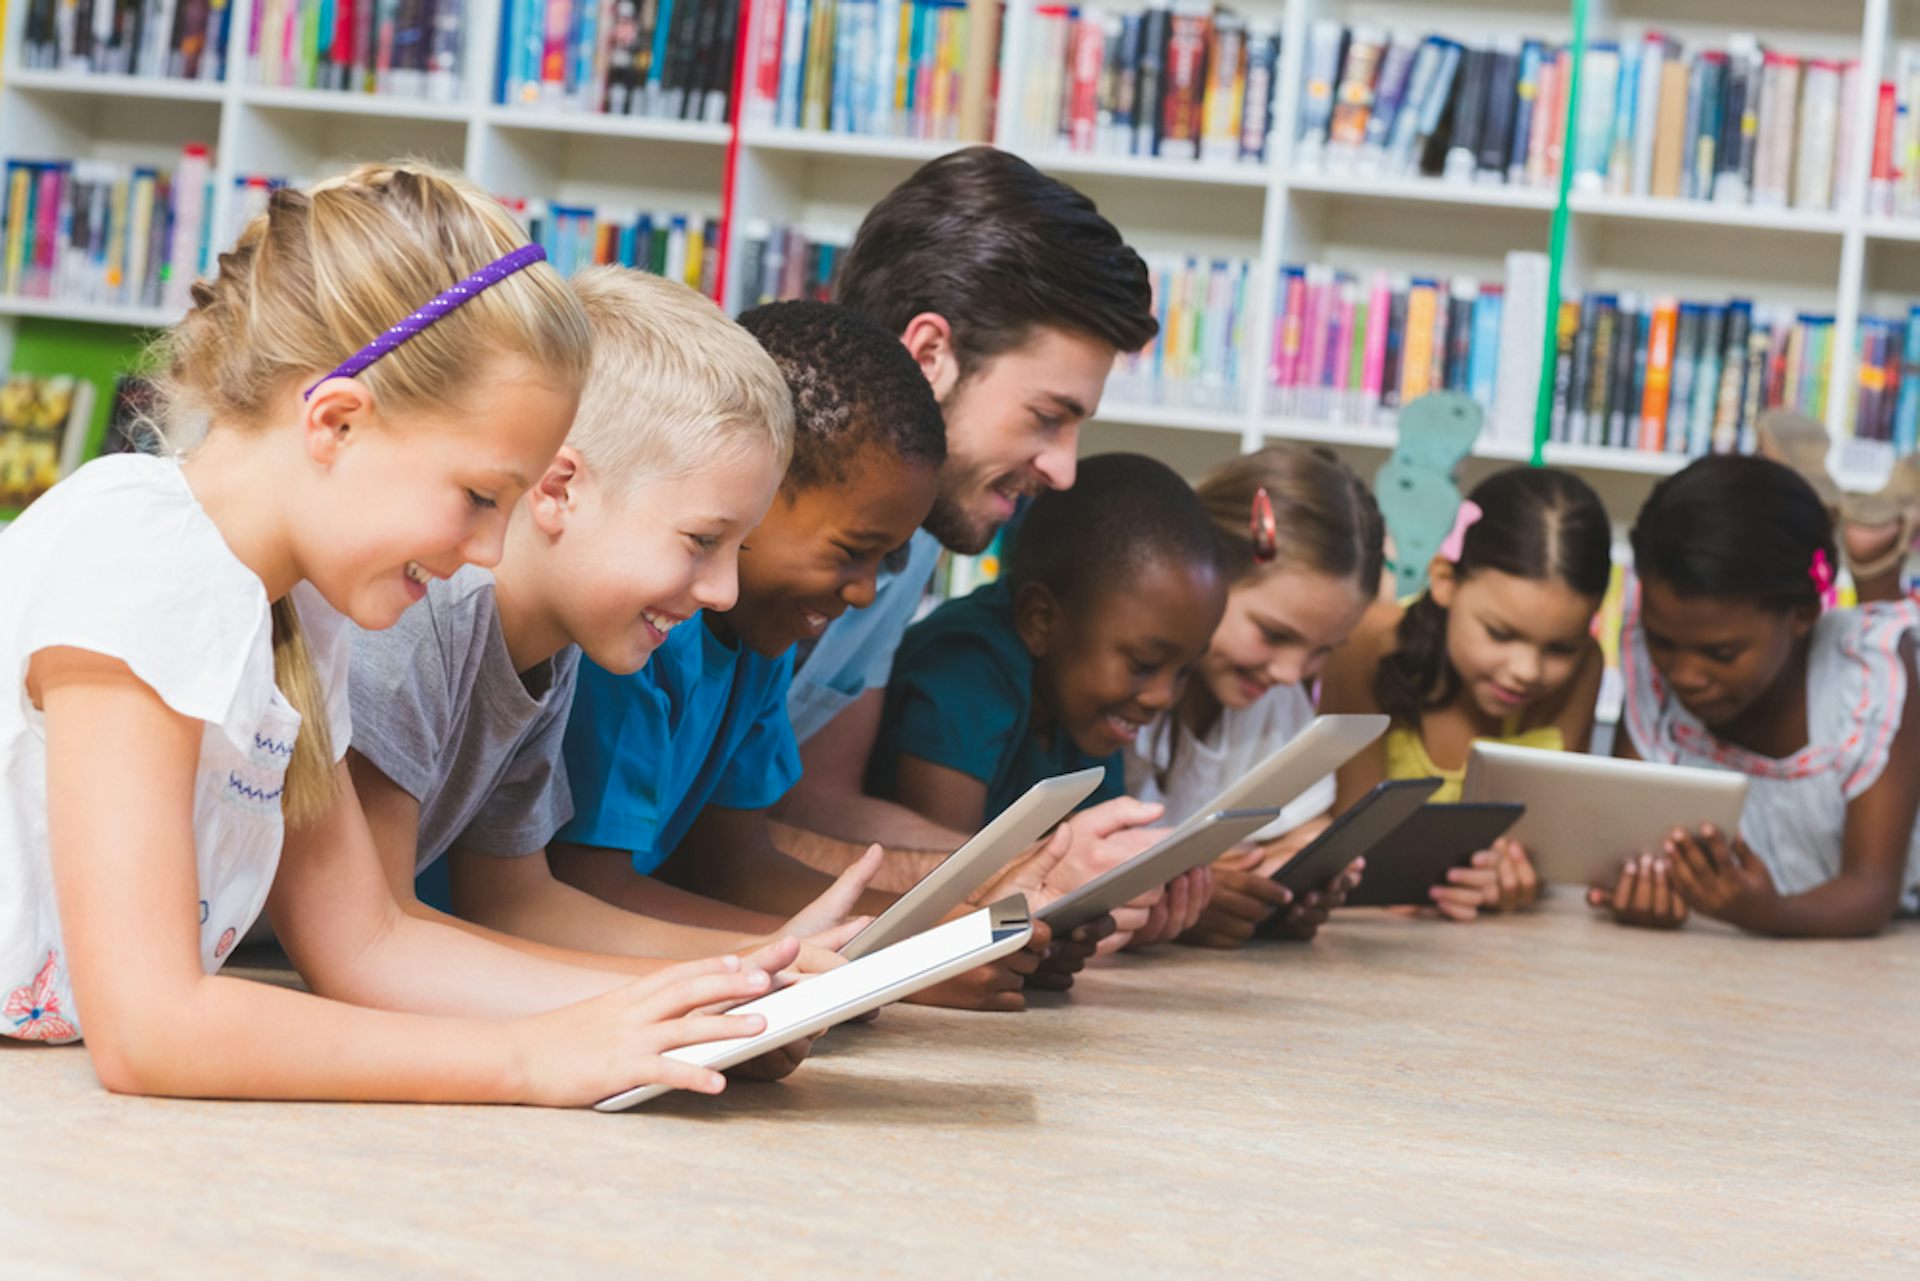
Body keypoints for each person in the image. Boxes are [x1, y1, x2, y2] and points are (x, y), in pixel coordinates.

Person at [0, 163, 791, 1105]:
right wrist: (530, 1060)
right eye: (477, 496)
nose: (491, 547)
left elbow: (369, 943)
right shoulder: (141, 553)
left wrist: (693, 1009)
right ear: (336, 421)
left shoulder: (300, 608)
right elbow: (152, 1027)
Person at [553, 302, 1094, 1011]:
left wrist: (940, 929)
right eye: (851, 552)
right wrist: (884, 959)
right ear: (757, 495)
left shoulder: (763, 644)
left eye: (890, 559)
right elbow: (591, 885)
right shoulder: (641, 636)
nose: (867, 592)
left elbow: (734, 861)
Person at [770, 147, 1163, 866]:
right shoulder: (718, 511)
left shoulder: (913, 541)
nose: (1066, 470)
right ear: (929, 357)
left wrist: (1049, 870)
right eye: (1048, 415)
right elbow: (700, 839)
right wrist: (1010, 879)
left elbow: (810, 799)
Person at [870, 454, 1228, 945]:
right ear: (1041, 621)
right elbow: (951, 889)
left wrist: (1139, 906)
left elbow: (1085, 883)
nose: (1163, 696)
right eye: (1143, 664)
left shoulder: (1087, 707)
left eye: (1185, 670)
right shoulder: (963, 665)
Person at [1596, 455, 1920, 936]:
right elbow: (1625, 845)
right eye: (1664, 642)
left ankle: (1875, 567)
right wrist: (1641, 888)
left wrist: (1769, 914)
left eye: (1721, 653)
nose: (1684, 674)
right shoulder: (1652, 657)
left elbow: (1871, 889)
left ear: (1803, 614)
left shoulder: (1869, 679)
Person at [1322, 467, 1611, 921]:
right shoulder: (1365, 648)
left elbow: (1544, 845)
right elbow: (1353, 839)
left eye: (1560, 648)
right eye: (1500, 634)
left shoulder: (1585, 667)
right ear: (1445, 580)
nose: (1526, 672)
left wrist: (1514, 878)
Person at [1125, 445, 1385, 948]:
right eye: (1273, 634)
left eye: (1323, 651)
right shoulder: (1121, 691)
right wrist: (1192, 892)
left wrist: (1300, 866)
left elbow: (1303, 827)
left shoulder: (1272, 695)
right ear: (1200, 569)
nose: (1291, 673)